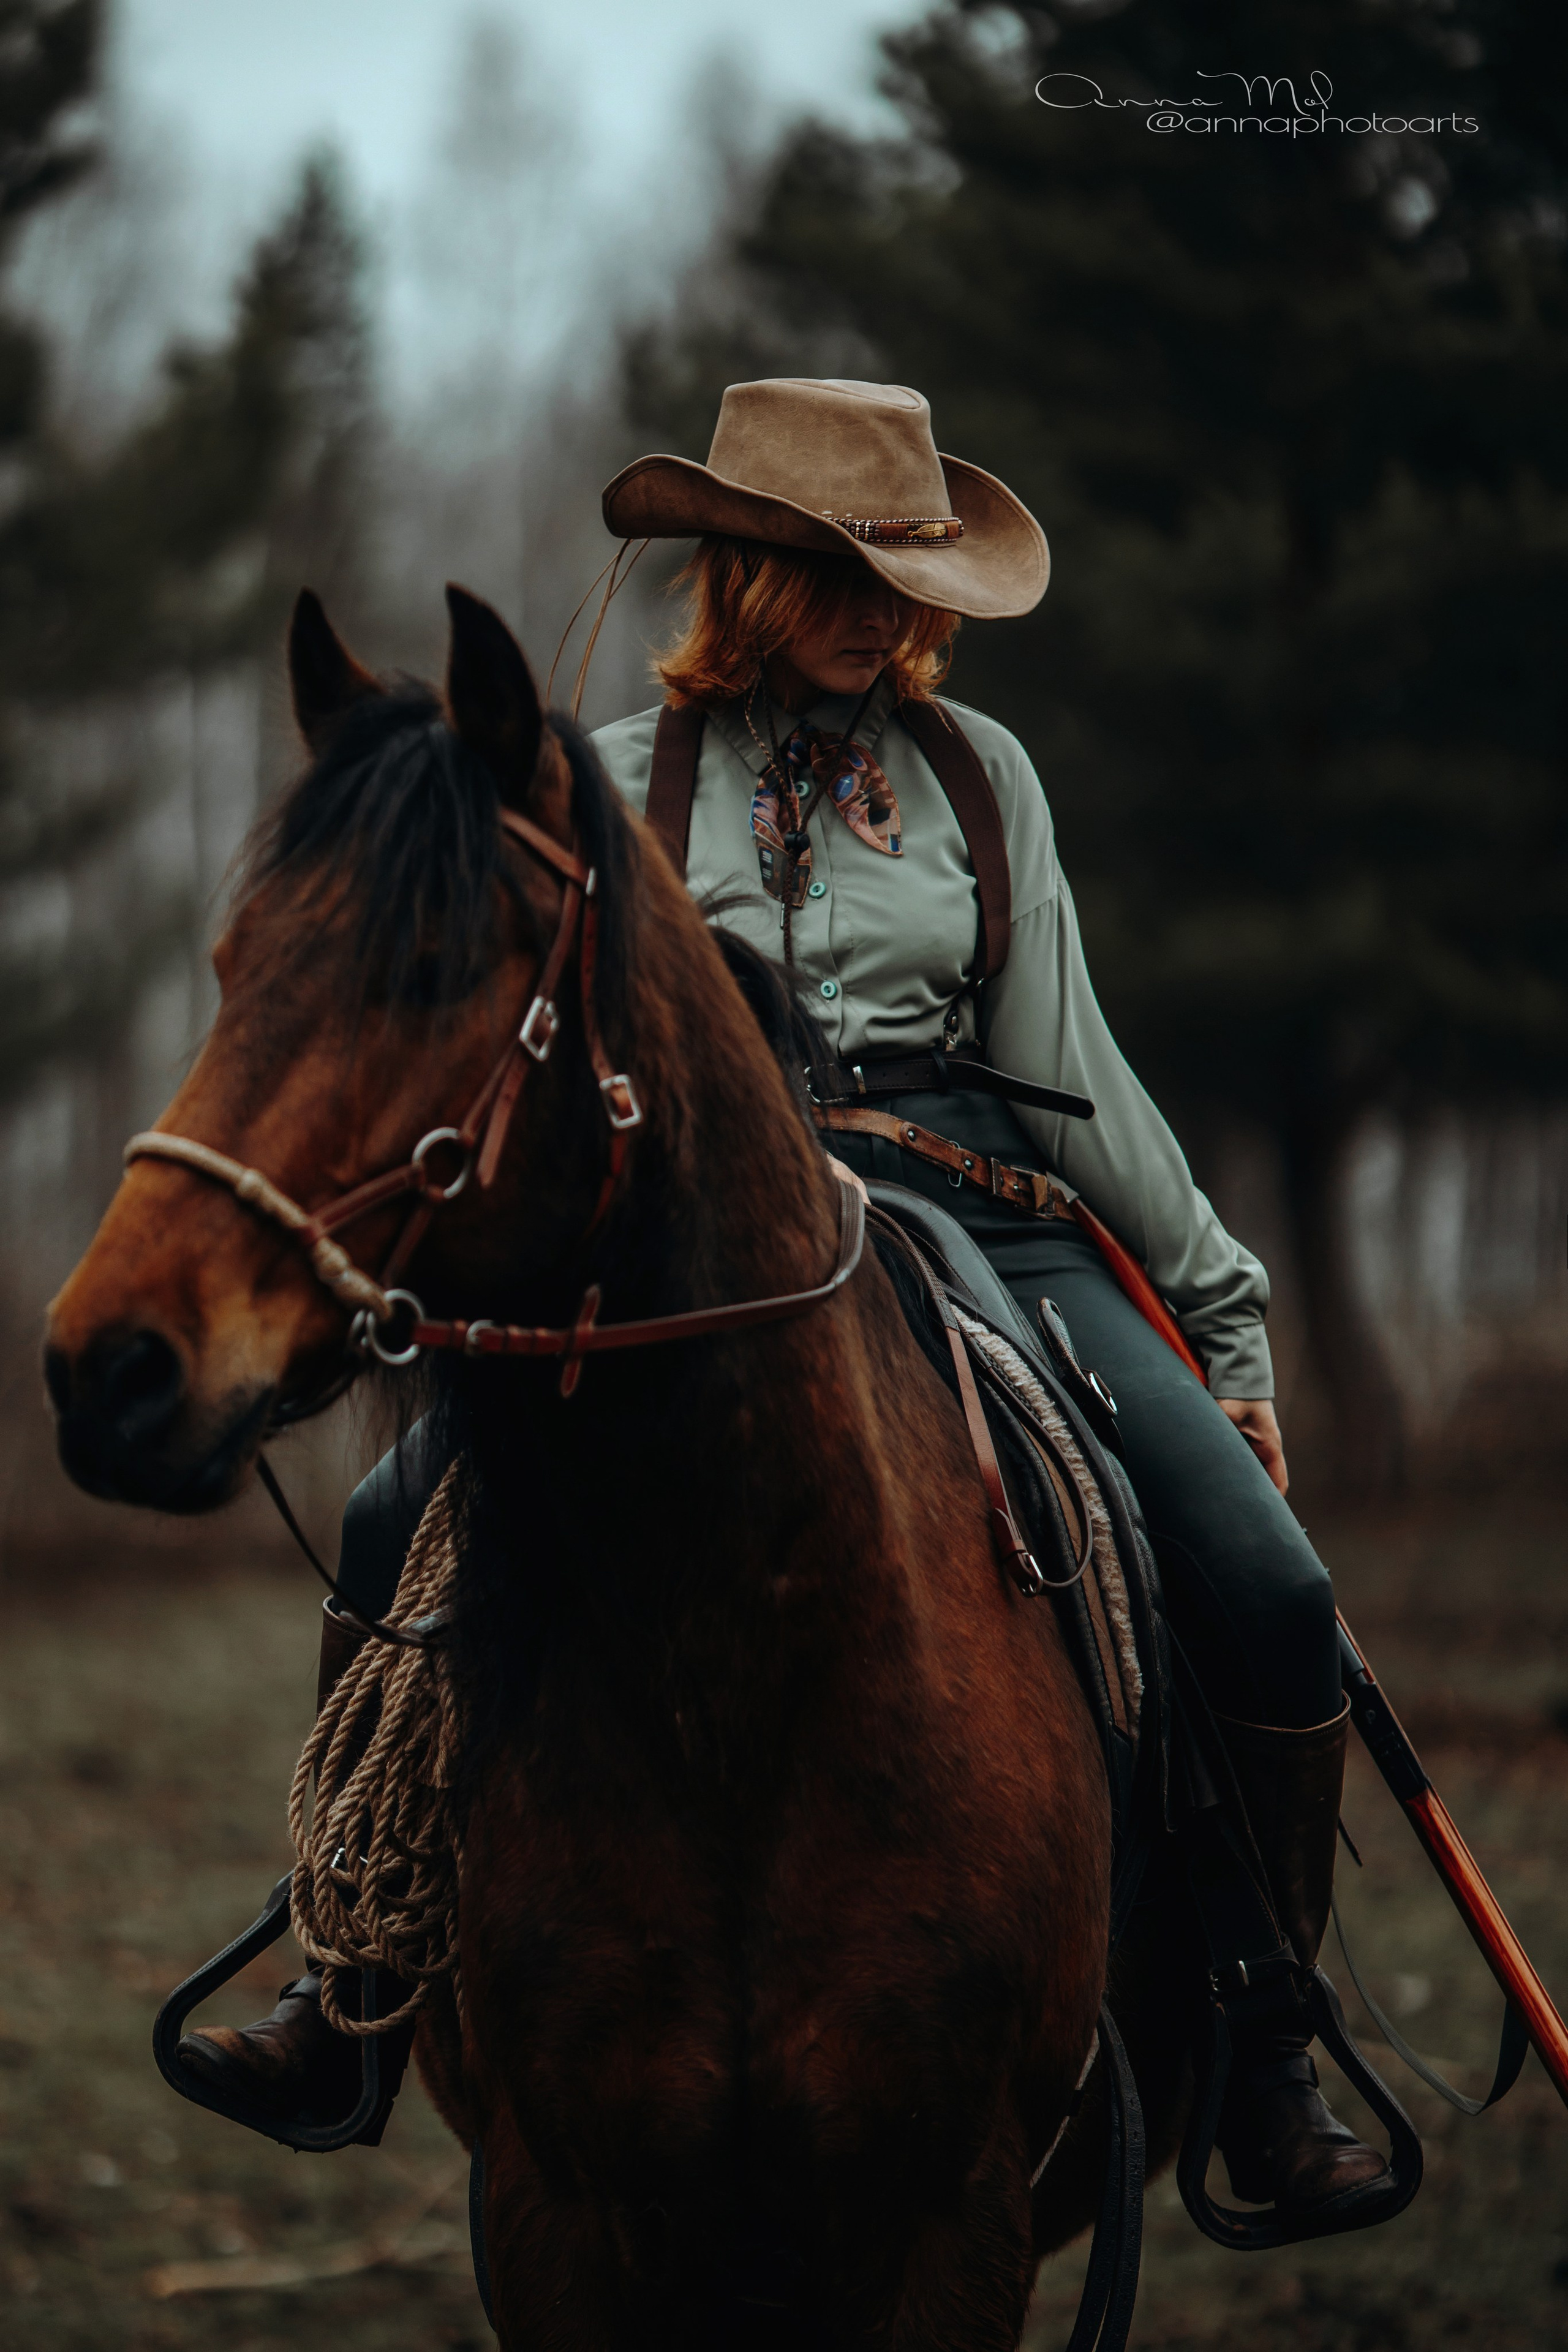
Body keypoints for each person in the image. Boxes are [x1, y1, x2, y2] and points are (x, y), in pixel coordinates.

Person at [184, 377, 1382, 2215]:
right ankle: (350, 1980)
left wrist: (1225, 1319)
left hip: (984, 1211)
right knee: (384, 1519)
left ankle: (1264, 2043)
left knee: (1271, 1586)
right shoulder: (609, 780)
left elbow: (1080, 1063)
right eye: (833, 572)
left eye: (898, 576)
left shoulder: (982, 779)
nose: (875, 613)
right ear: (742, 573)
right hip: (698, 1248)